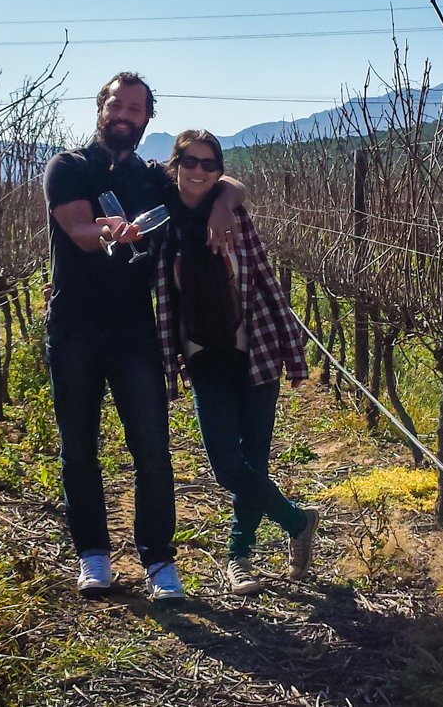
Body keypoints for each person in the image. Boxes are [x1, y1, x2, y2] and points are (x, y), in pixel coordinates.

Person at [43, 73, 247, 601]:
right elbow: (78, 230)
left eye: (135, 108)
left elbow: (220, 180)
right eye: (117, 104)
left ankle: (159, 561)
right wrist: (109, 232)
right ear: (100, 107)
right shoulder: (68, 167)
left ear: (146, 119)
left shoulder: (153, 178)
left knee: (153, 450)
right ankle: (94, 556)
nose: (124, 114)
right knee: (78, 449)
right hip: (73, 330)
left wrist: (225, 202)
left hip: (135, 330)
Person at [154, 129, 320, 595]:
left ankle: (238, 557)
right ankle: (296, 520)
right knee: (227, 465)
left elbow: (263, 276)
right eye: (190, 161)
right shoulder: (161, 219)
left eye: (210, 164)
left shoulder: (235, 213)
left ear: (219, 169)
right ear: (175, 165)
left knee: (255, 458)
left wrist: (290, 345)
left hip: (254, 346)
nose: (199, 171)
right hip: (202, 353)